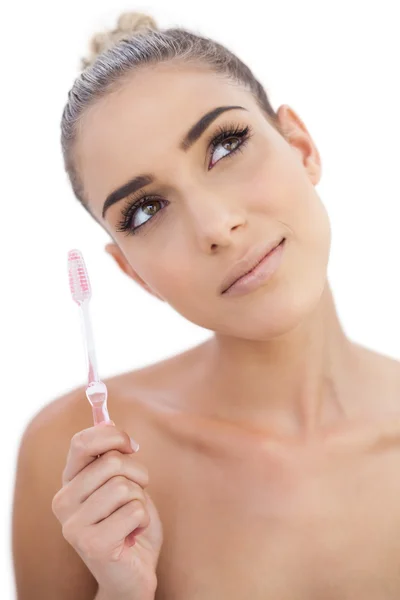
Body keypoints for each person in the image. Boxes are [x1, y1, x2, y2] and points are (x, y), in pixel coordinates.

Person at [12, 10, 400, 600]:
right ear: (132, 272)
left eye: (225, 146)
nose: (217, 226)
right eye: (145, 210)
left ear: (302, 147)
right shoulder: (77, 469)